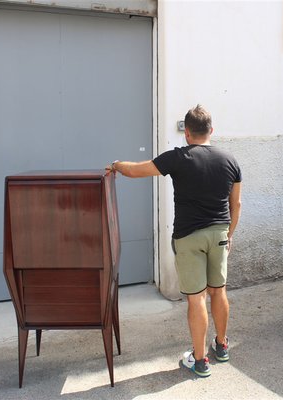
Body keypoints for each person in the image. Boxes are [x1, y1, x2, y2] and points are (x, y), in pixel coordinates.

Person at [105, 105, 242, 378]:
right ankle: (222, 345)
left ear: (187, 133)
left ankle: (200, 360)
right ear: (211, 131)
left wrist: (117, 165)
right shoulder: (230, 160)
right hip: (219, 234)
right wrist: (230, 234)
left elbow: (138, 170)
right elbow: (235, 203)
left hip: (189, 237)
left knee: (196, 299)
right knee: (219, 291)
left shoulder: (178, 158)